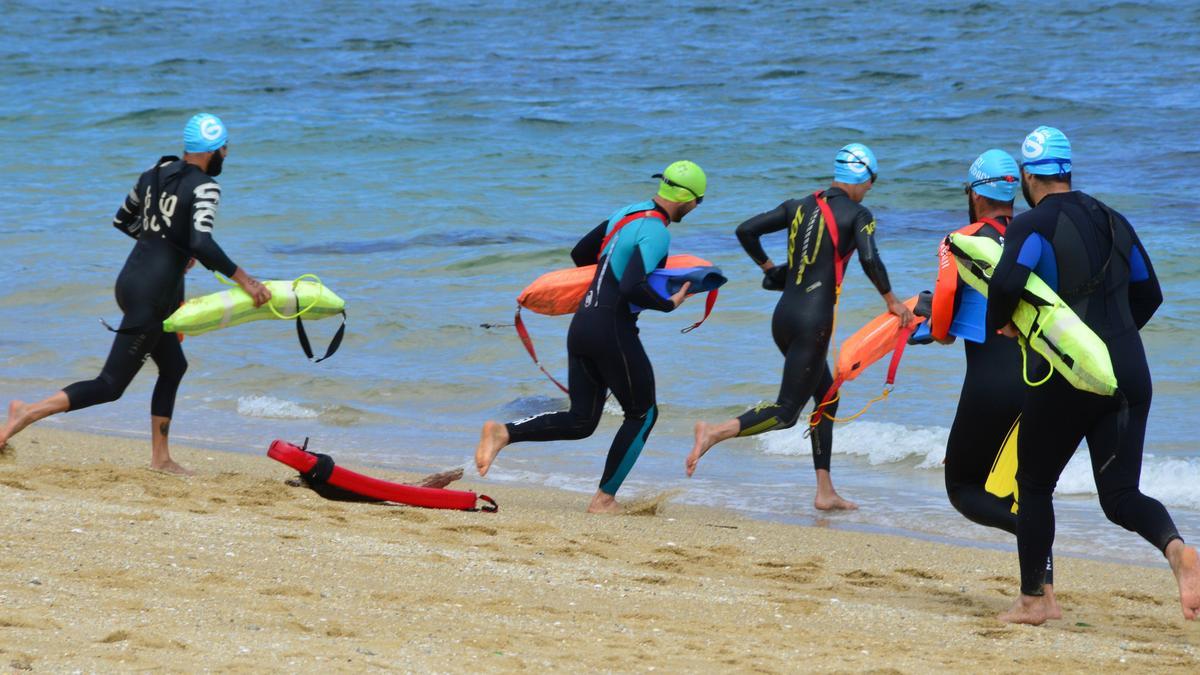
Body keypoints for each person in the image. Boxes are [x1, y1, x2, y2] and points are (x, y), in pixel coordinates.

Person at [988, 126, 1199, 624]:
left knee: (1034, 484)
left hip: (1072, 374)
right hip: (1131, 370)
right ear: (1065, 171)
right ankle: (1177, 550)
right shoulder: (1115, 219)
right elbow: (1150, 294)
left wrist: (1007, 324)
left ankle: (1034, 601)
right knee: (1121, 494)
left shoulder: (1032, 224)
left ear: (1026, 176)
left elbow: (1006, 283)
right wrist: (1114, 341)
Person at [0, 114, 272, 475]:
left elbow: (124, 220)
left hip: (132, 282)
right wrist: (246, 280)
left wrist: (169, 254)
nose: (225, 155)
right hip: (152, 295)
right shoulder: (206, 187)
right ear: (213, 150)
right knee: (110, 385)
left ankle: (161, 458)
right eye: (224, 148)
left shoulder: (152, 174)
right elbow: (201, 243)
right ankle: (28, 412)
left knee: (174, 365)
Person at [686, 144, 914, 510]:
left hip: (784, 316)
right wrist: (891, 300)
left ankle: (825, 492)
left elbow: (746, 230)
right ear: (864, 177)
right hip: (814, 322)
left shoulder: (798, 205)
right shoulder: (859, 214)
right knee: (786, 412)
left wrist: (768, 268)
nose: (869, 189)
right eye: (871, 182)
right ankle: (714, 432)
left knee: (827, 396)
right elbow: (871, 258)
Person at [475, 161, 705, 513]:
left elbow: (581, 254)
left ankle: (504, 432)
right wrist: (669, 303)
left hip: (583, 323)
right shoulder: (657, 231)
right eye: (698, 202)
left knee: (582, 420)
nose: (695, 208)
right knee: (643, 413)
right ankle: (604, 499)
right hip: (611, 328)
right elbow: (632, 287)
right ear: (688, 199)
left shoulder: (627, 213)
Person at [911, 149, 1059, 616]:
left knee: (964, 488)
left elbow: (947, 312)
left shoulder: (959, 239)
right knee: (1029, 487)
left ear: (974, 194)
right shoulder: (1035, 235)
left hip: (992, 381)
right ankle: (1043, 594)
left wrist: (932, 327)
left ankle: (1029, 538)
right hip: (1043, 377)